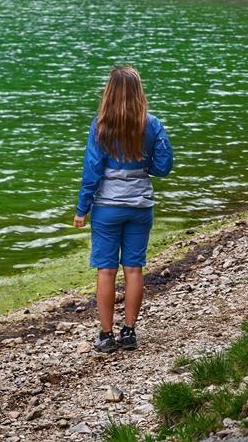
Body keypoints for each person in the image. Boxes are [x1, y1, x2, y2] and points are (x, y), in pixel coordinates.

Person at [73, 66, 173, 353]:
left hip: (107, 208)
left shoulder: (101, 125)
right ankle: (129, 332)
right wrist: (144, 166)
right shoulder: (151, 124)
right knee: (133, 268)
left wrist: (82, 208)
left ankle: (106, 336)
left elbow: (92, 171)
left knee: (106, 271)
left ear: (109, 93)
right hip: (140, 206)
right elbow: (164, 165)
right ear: (139, 93)